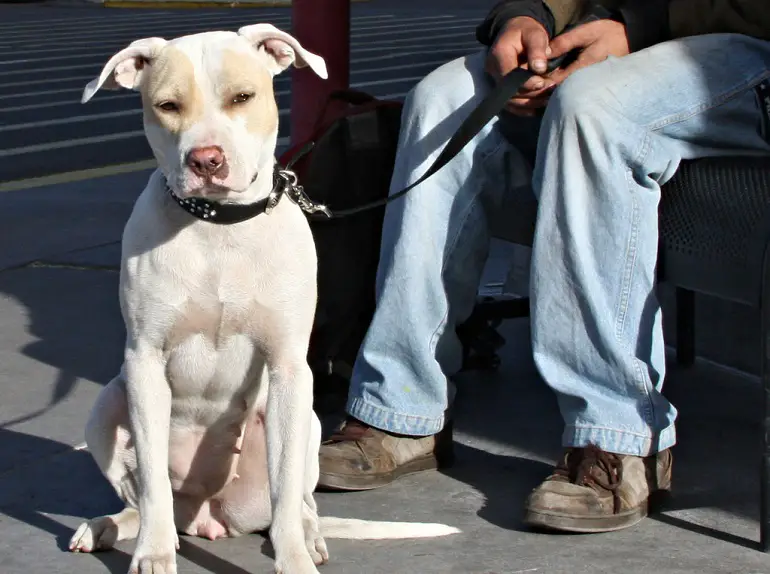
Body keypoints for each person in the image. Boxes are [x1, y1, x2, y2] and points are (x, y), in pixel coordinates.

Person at [317, 0, 770, 533]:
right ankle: (402, 407)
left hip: (743, 41)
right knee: (443, 96)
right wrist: (526, 20)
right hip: (619, 36)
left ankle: (619, 438)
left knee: (594, 105)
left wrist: (636, 29)